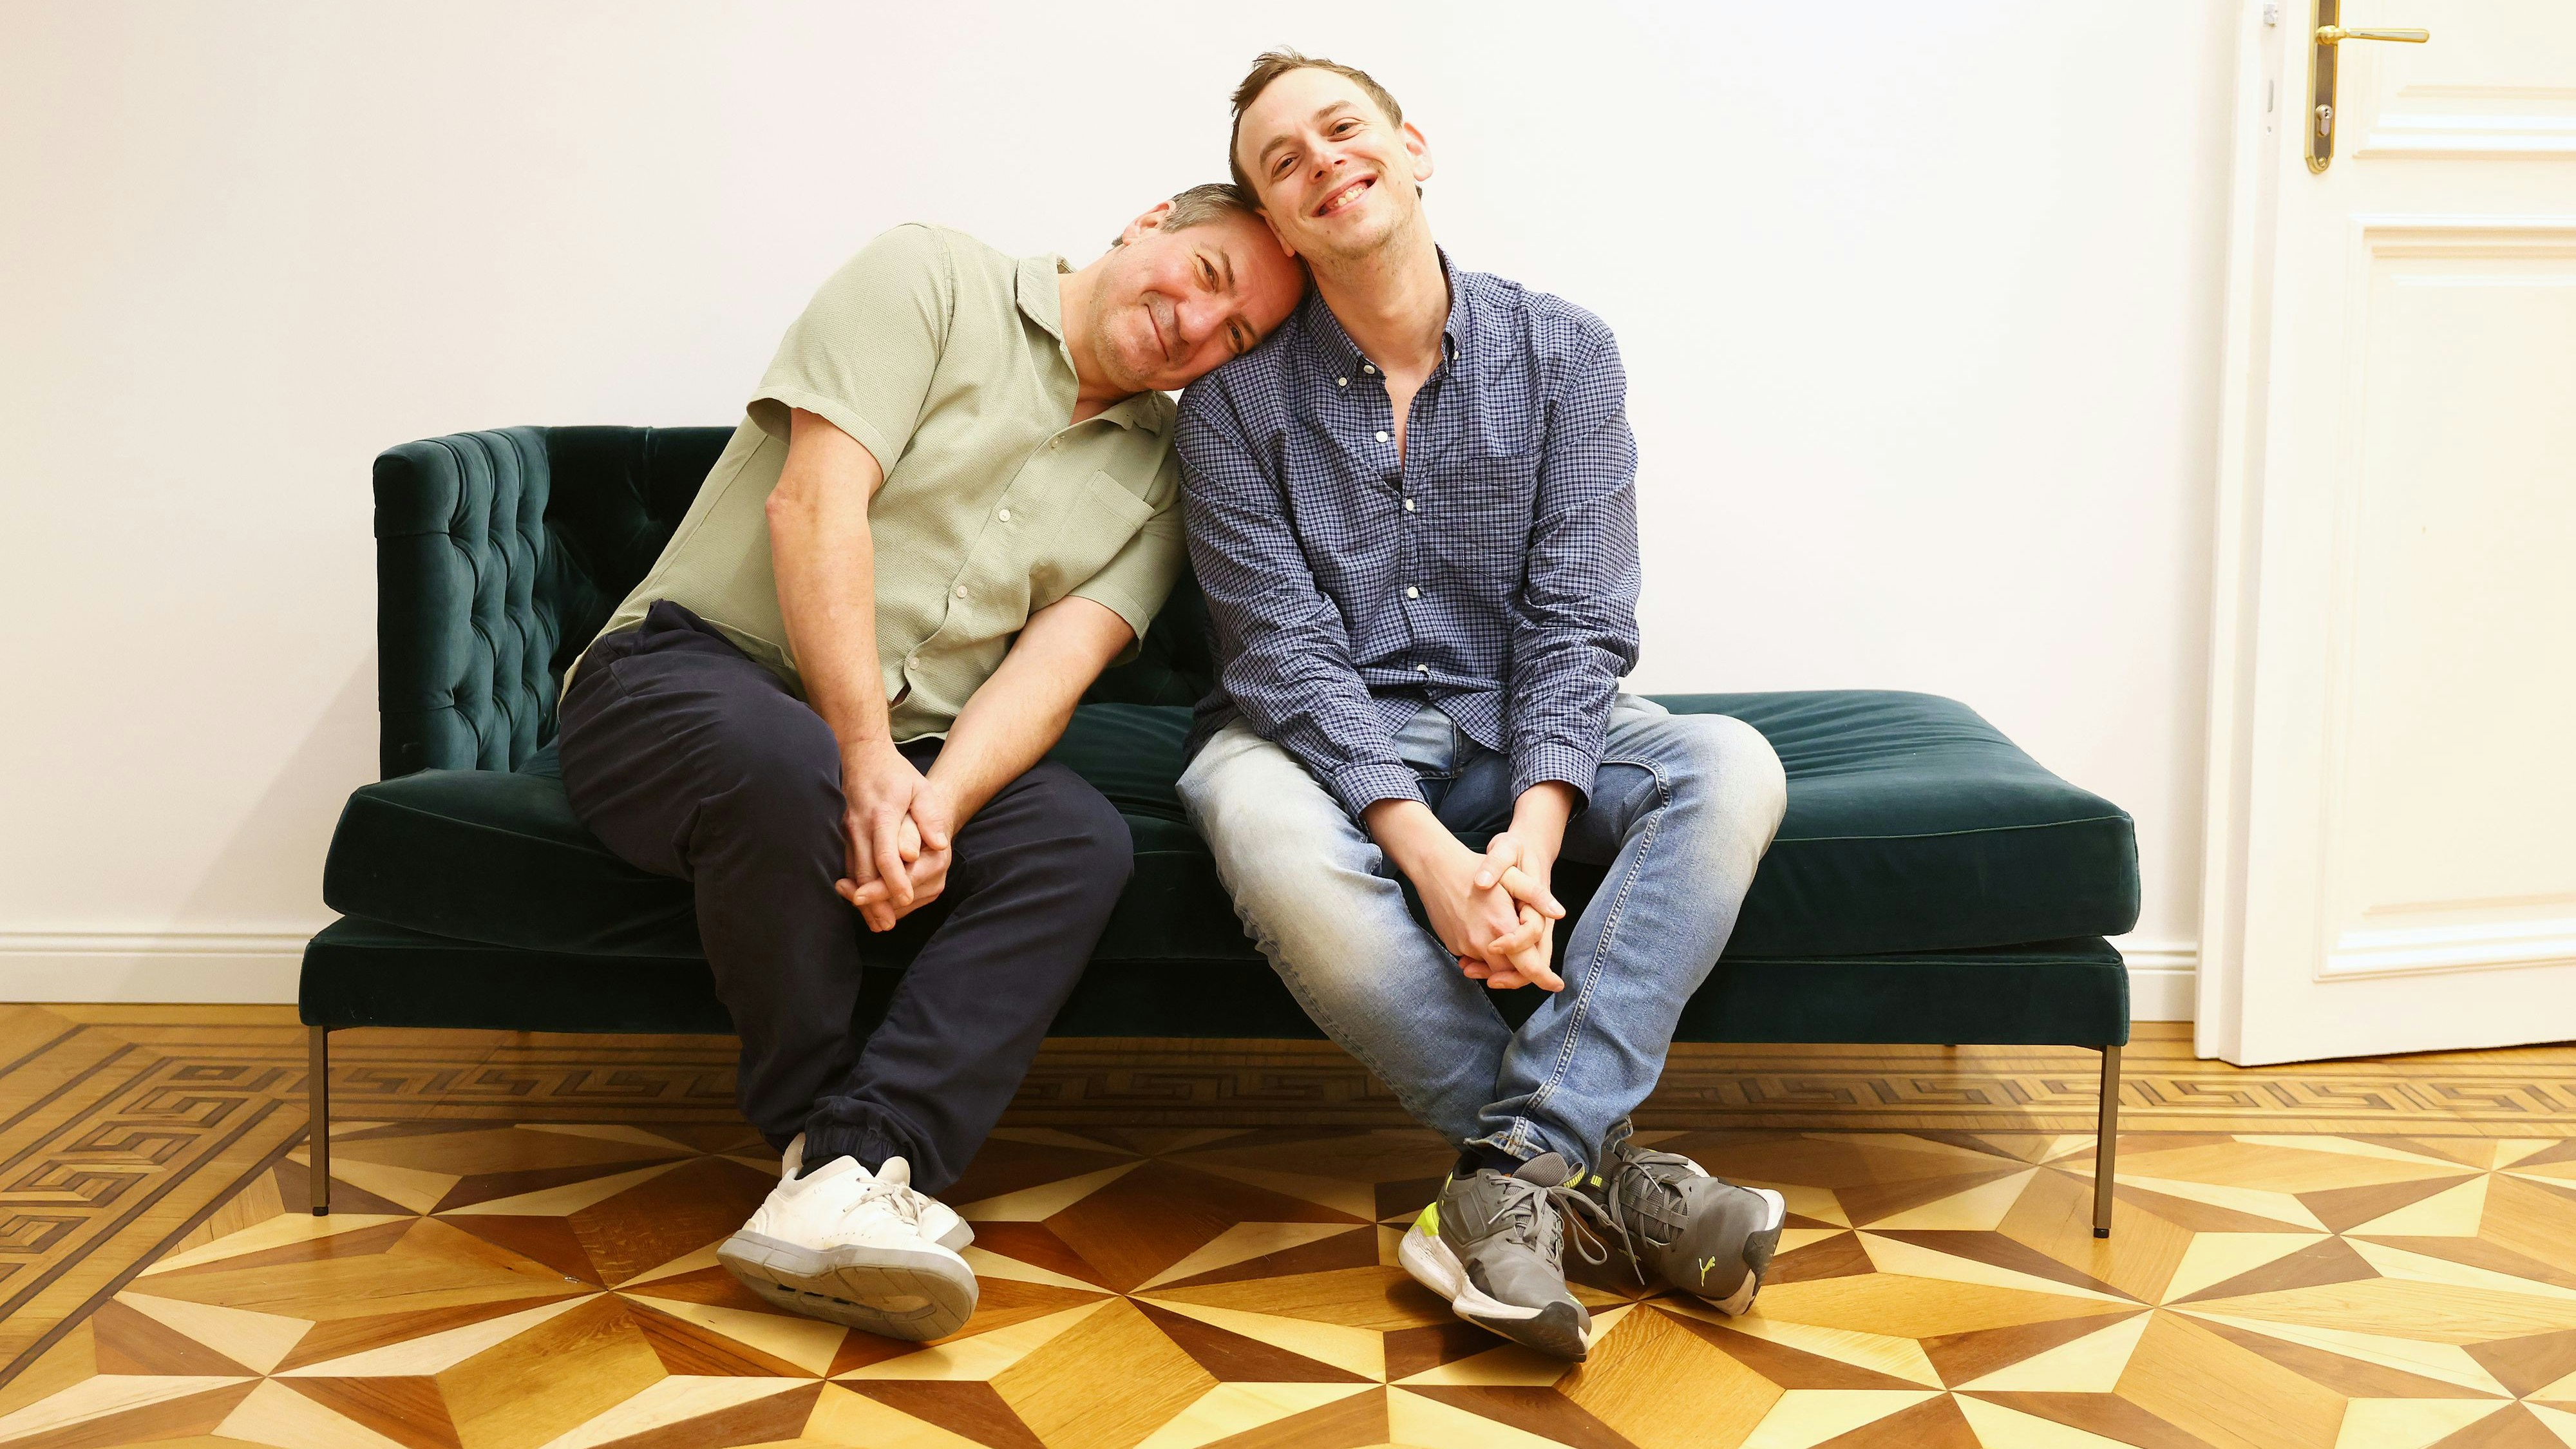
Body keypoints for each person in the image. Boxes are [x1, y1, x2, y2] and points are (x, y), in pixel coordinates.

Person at [555, 185, 1304, 1340]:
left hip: (912, 747)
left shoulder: (1168, 469)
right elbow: (812, 507)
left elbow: (1054, 666)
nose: (1197, 328)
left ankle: (860, 1159)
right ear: (1150, 223)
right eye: (1208, 275)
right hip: (686, 674)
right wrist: (863, 755)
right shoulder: (932, 278)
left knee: (1079, 839)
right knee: (790, 762)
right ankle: (823, 1152)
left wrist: (939, 801)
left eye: (1236, 335)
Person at [1176, 54, 1791, 1362]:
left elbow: (1578, 616)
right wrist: (1427, 856)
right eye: (1282, 161)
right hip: (1316, 740)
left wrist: (1531, 829)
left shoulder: (1565, 352)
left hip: (1520, 723)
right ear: (1277, 224)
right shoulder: (1228, 407)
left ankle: (1506, 1174)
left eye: (1341, 128)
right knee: (1252, 816)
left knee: (1730, 763)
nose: (1321, 160)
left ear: (1410, 147)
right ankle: (1600, 1174)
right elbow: (1283, 656)